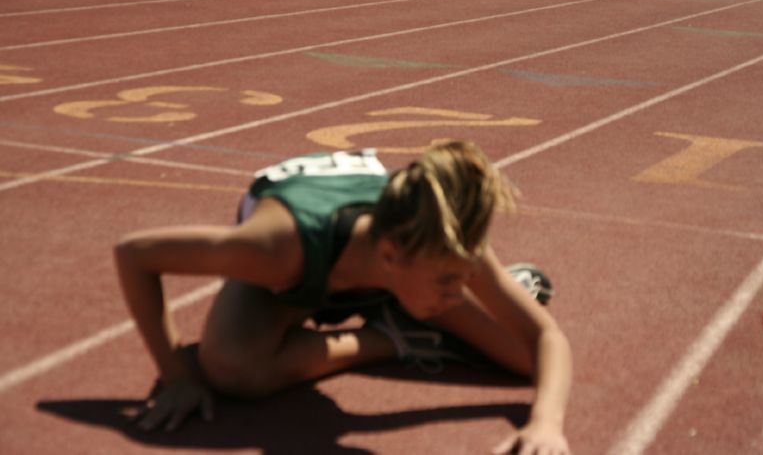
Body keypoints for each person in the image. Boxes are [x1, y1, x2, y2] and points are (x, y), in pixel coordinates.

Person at [115, 140, 573, 454]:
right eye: (450, 281)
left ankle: (415, 318)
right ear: (391, 256)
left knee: (525, 362)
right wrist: (176, 377)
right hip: (303, 274)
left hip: (385, 269)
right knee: (231, 370)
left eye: (466, 277)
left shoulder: (437, 240)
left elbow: (544, 335)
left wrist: (546, 421)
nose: (460, 290)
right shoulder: (274, 247)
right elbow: (134, 254)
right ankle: (390, 337)